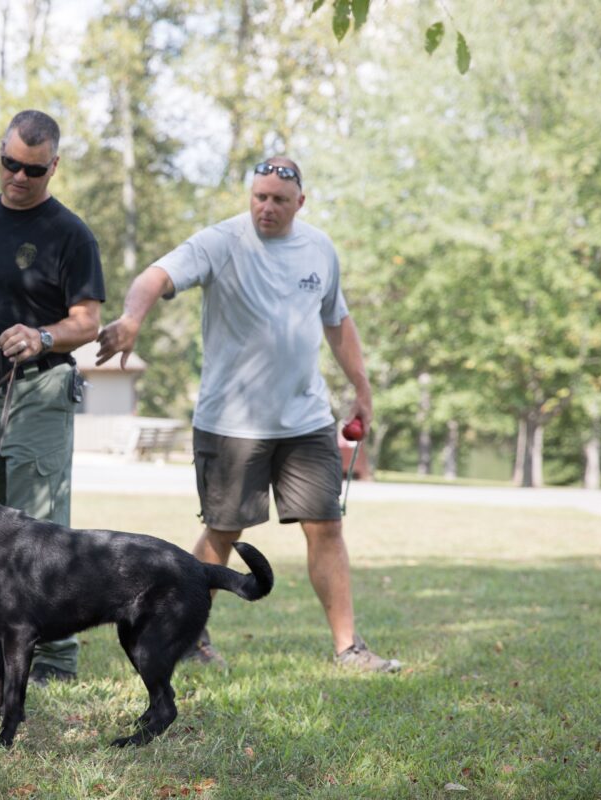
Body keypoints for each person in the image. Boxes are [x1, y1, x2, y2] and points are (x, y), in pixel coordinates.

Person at [96, 157, 401, 673]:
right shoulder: (222, 242)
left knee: (326, 528)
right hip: (231, 424)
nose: (267, 207)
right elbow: (156, 275)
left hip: (306, 419)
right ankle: (186, 637)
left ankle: (349, 648)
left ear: (299, 203)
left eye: (279, 200)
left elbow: (337, 321)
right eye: (259, 196)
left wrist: (362, 387)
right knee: (222, 532)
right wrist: (132, 318)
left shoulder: (319, 248)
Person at [0, 109, 105, 684]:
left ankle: (55, 658)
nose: (19, 177)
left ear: (53, 166)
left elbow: (88, 322)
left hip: (40, 392)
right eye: (10, 164)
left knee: (38, 529)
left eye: (33, 170)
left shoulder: (70, 234)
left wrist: (43, 336)